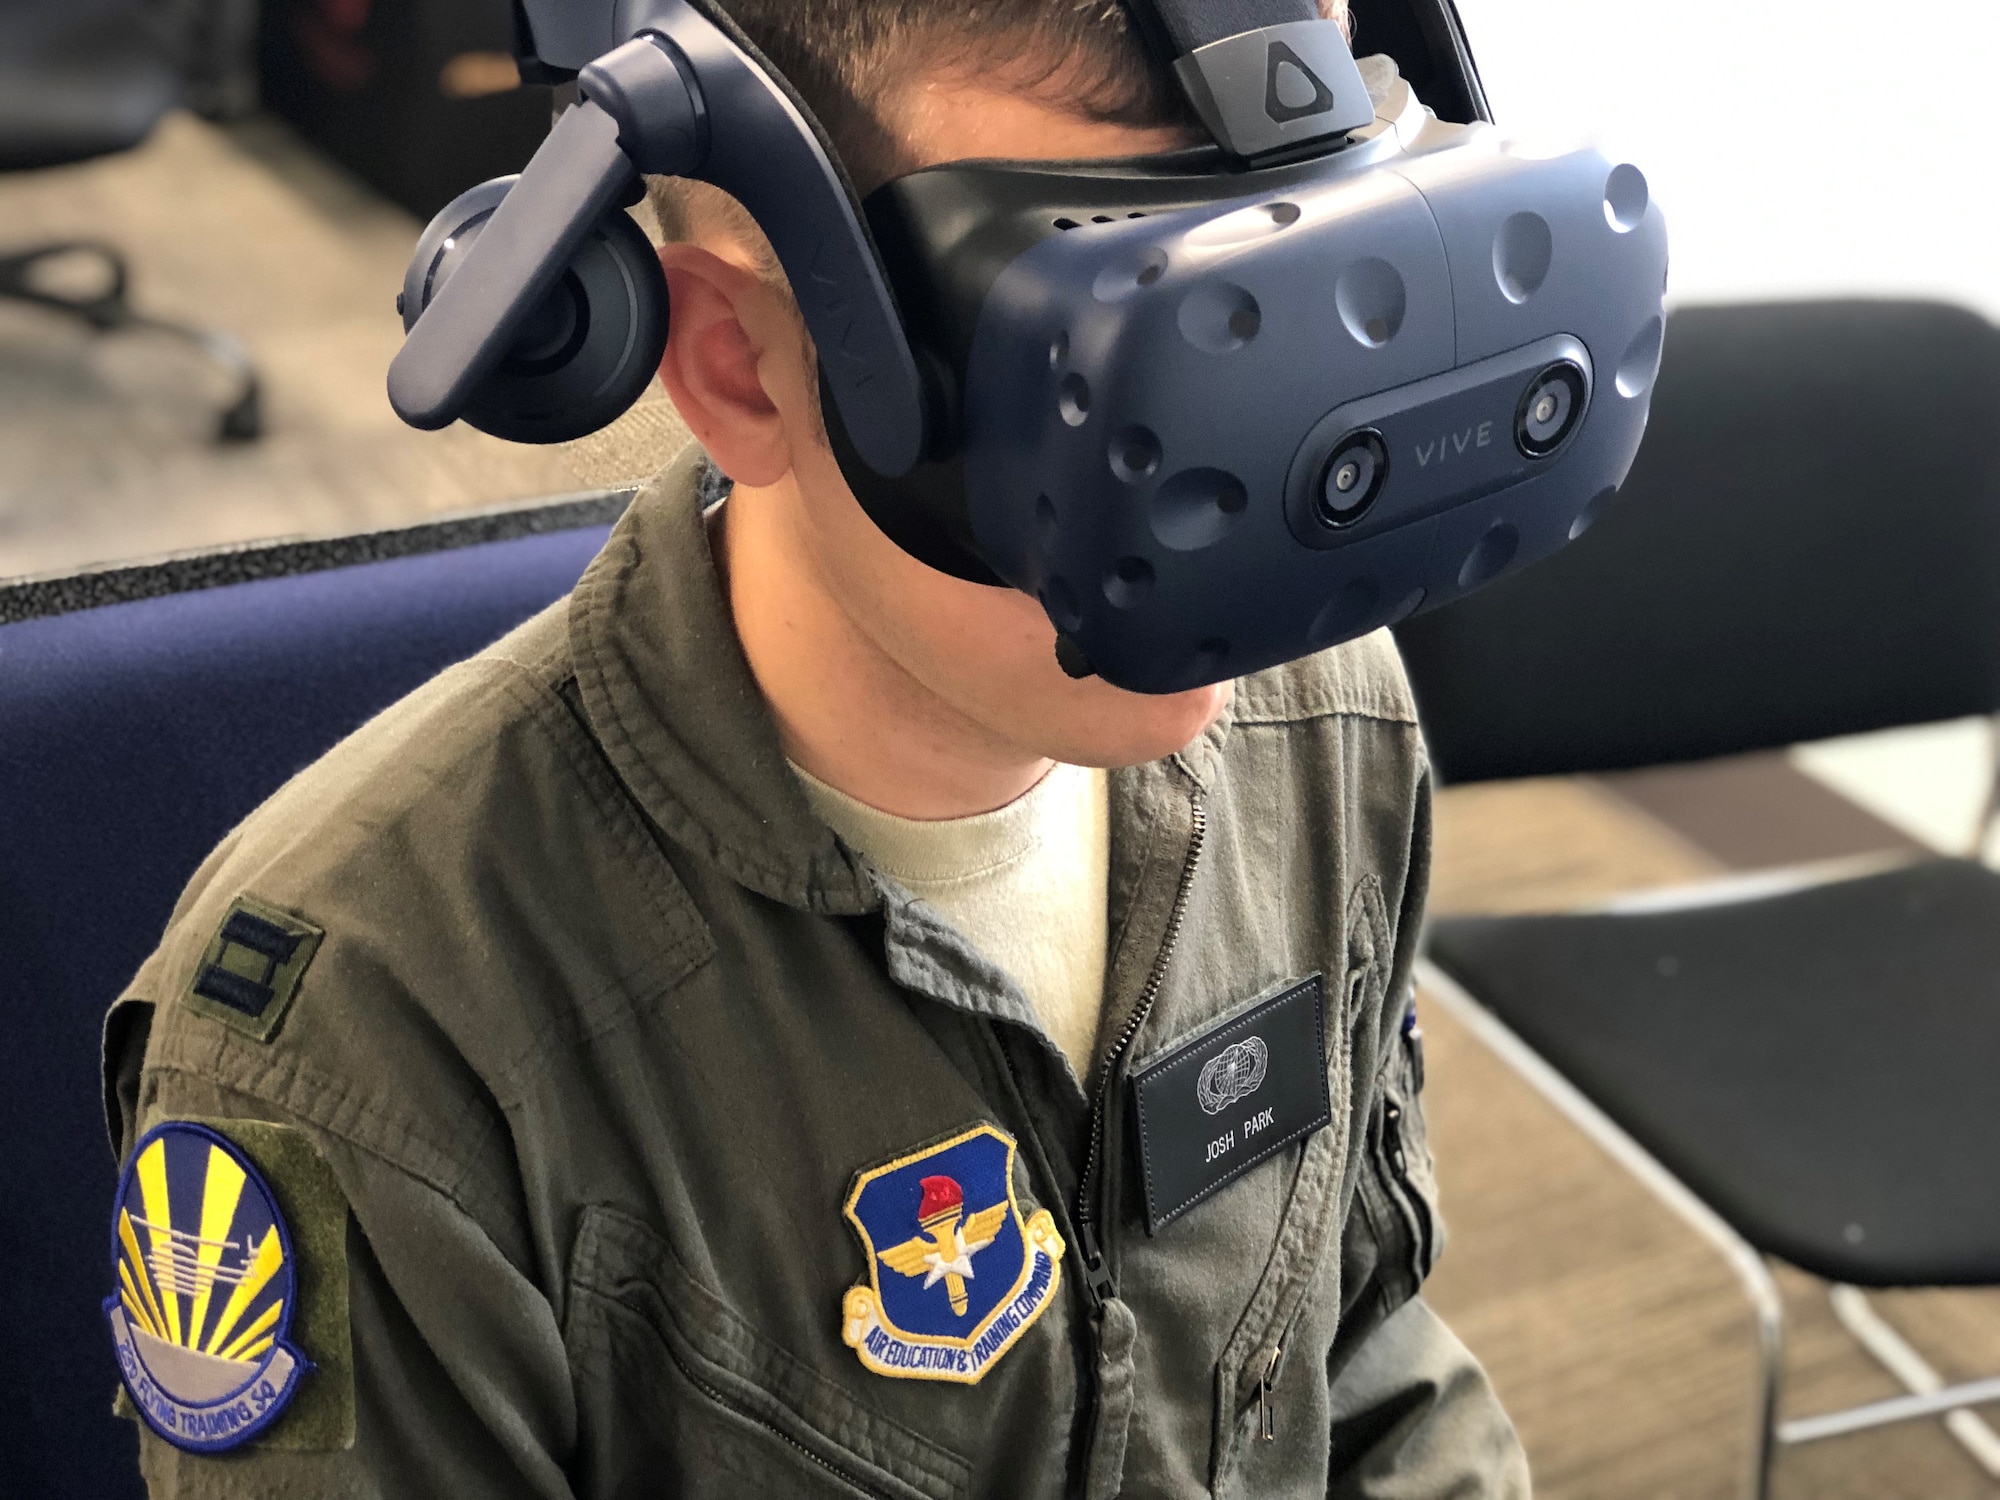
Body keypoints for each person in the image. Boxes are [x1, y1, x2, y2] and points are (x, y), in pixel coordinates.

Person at [102, 1, 1531, 1493]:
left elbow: (1361, 1347)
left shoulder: (1331, 716)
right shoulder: (362, 1045)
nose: (1253, 540)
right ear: (737, 365)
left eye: (1294, 324)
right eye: (1128, 378)